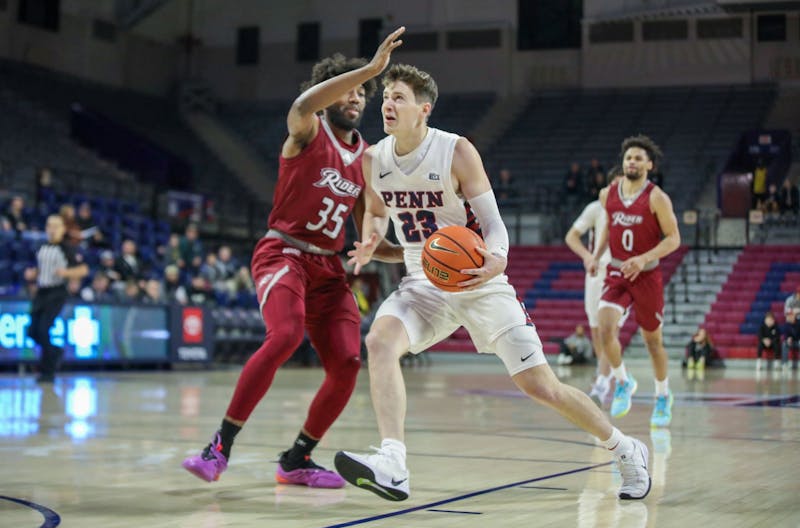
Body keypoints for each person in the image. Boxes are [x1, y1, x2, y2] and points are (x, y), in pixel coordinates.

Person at [335, 63, 651, 502]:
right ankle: (394, 462)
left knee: (541, 387)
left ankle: (624, 448)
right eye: (386, 96)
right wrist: (371, 237)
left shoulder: (455, 151)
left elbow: (495, 226)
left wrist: (495, 261)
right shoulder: (374, 159)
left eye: (399, 97)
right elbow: (375, 212)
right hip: (422, 281)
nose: (387, 103)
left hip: (477, 279)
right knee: (380, 342)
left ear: (423, 109)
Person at [182, 28, 406, 489]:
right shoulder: (307, 127)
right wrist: (368, 69)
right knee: (284, 334)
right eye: (349, 89)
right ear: (330, 96)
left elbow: (368, 239)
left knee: (346, 364)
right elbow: (304, 104)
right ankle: (219, 445)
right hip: (282, 252)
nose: (358, 97)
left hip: (328, 269)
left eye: (363, 92)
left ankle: (297, 458)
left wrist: (413, 251)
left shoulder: (366, 159)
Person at [589, 134, 680, 428]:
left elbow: (674, 239)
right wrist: (596, 254)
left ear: (649, 165)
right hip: (616, 272)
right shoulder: (609, 193)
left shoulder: (657, 198)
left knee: (653, 342)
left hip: (647, 274)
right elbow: (608, 229)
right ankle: (623, 382)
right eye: (629, 157)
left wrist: (643, 259)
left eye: (638, 158)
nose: (632, 161)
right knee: (605, 330)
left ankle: (663, 395)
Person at [565, 166, 625, 405]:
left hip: (620, 275)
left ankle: (602, 382)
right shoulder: (595, 208)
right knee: (597, 332)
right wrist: (587, 256)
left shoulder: (634, 212)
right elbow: (571, 236)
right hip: (595, 274)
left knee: (610, 330)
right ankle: (607, 376)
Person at [27, 214, 88, 383]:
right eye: (49, 225)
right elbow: (41, 268)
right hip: (41, 292)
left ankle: (48, 371)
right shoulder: (41, 247)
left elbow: (83, 270)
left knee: (44, 329)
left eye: (56, 226)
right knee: (32, 331)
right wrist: (34, 274)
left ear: (62, 229)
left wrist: (66, 273)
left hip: (57, 292)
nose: (52, 229)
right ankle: (55, 351)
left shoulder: (67, 248)